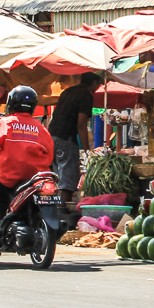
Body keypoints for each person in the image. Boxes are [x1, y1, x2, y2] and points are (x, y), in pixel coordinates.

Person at [0, 86, 54, 245]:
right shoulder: (41, 128)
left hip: (8, 178)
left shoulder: (4, 123)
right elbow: (49, 154)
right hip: (37, 178)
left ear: (10, 104)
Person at [48, 72, 99, 207]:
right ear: (94, 83)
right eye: (98, 84)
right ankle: (61, 212)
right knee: (67, 180)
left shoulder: (68, 92)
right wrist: (87, 150)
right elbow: (81, 124)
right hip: (65, 137)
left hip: (51, 136)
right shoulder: (86, 95)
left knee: (55, 177)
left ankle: (54, 211)